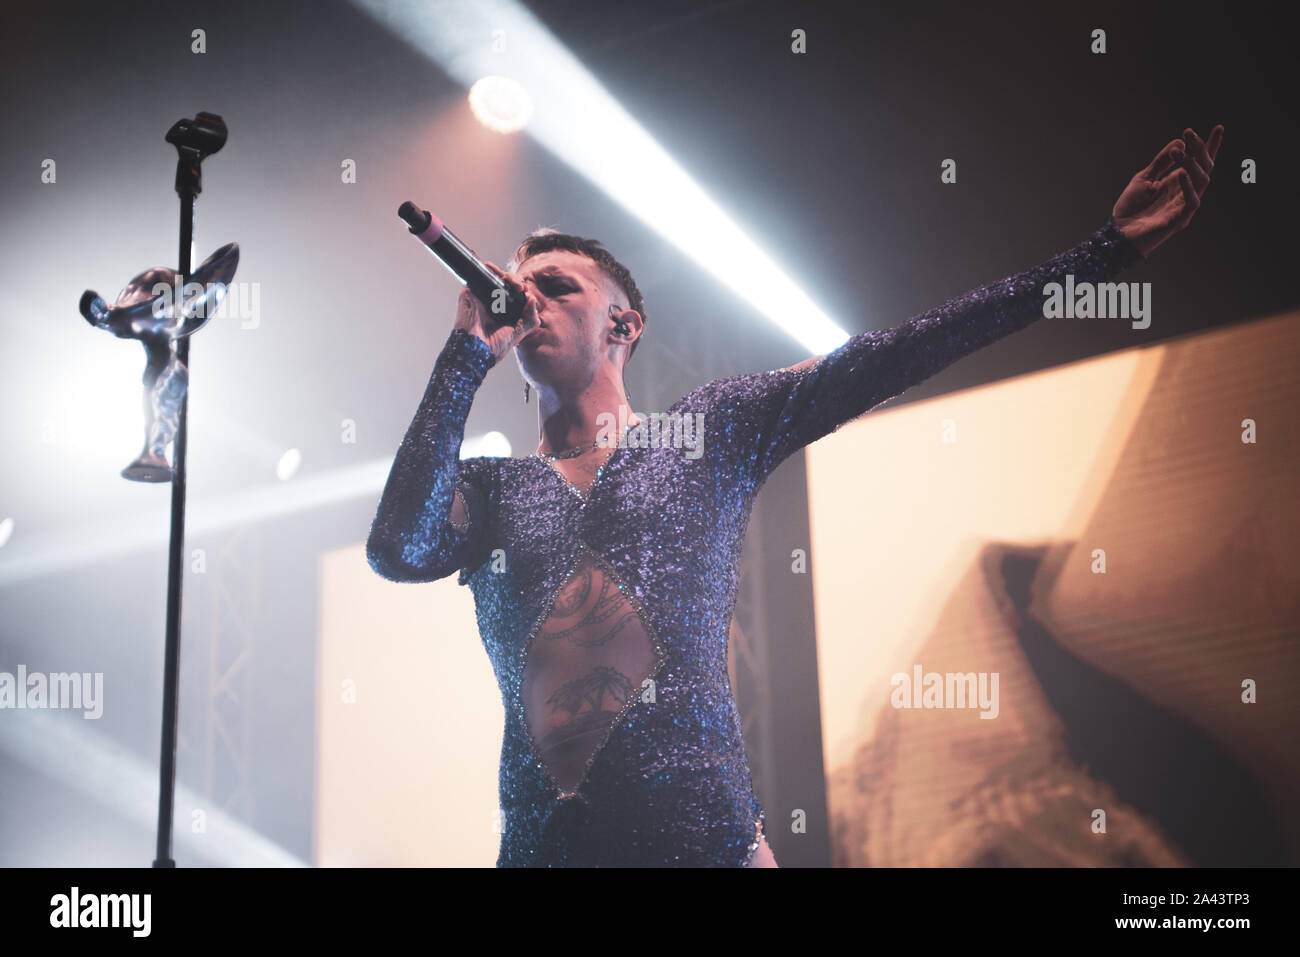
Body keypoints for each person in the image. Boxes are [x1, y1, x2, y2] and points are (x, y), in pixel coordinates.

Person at [367, 125, 1222, 866]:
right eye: (521, 285)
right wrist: (464, 356)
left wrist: (1101, 253)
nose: (529, 299)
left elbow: (894, 353)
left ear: (624, 324)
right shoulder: (492, 492)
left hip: (711, 846)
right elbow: (397, 548)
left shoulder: (705, 432)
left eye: (558, 286)